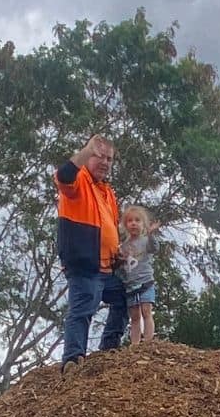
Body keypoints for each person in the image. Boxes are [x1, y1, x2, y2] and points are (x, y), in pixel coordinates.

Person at [54, 134, 126, 368]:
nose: (105, 162)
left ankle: (109, 347)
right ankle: (73, 359)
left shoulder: (107, 192)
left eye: (109, 159)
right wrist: (85, 151)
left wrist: (118, 252)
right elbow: (63, 176)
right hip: (85, 264)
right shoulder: (78, 182)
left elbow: (108, 227)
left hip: (107, 266)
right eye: (99, 156)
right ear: (87, 156)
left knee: (126, 297)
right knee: (82, 309)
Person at [118, 205, 164, 342]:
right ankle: (135, 344)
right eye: (130, 220)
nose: (133, 223)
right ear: (125, 225)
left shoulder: (145, 241)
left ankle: (148, 340)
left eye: (137, 220)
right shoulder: (123, 246)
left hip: (145, 282)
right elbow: (120, 267)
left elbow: (154, 248)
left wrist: (151, 234)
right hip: (131, 285)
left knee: (146, 311)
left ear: (143, 223)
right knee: (135, 316)